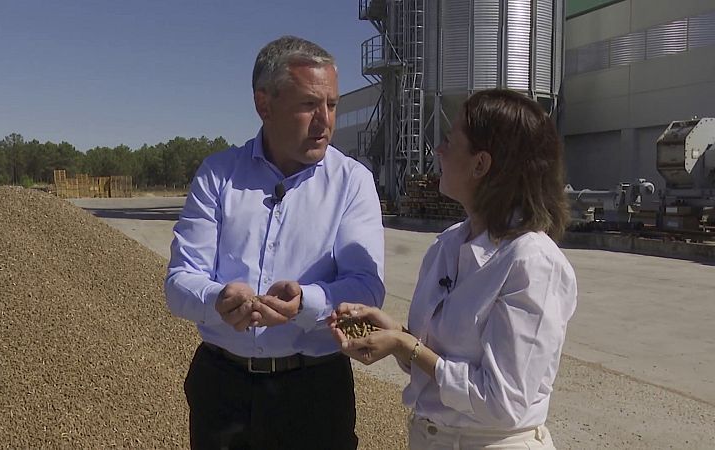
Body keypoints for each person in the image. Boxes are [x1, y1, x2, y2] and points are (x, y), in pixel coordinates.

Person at [164, 35, 385, 450]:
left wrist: (305, 302)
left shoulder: (352, 183)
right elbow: (178, 284)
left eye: (332, 105)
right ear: (264, 104)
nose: (325, 121)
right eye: (308, 105)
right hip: (223, 390)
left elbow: (368, 289)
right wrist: (218, 299)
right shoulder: (218, 176)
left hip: (313, 392)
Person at [331, 89, 577, 449]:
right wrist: (394, 336)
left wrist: (407, 345)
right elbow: (438, 363)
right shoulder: (447, 245)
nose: (438, 151)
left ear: (481, 164)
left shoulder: (531, 262)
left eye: (449, 141)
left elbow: (502, 403)